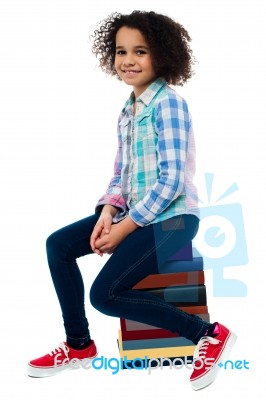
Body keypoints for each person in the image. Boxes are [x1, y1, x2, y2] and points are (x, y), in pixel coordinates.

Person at [27, 10, 236, 390]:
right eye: (121, 51)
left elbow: (172, 181)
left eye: (140, 51)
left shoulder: (168, 105)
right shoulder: (128, 110)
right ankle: (78, 345)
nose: (128, 60)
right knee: (58, 245)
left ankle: (208, 334)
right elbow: (119, 176)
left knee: (105, 295)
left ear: (163, 54)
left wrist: (124, 228)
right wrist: (108, 212)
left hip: (173, 218)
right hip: (134, 213)